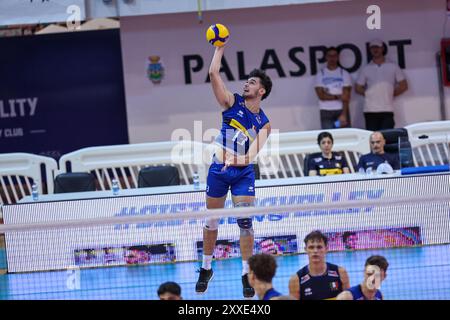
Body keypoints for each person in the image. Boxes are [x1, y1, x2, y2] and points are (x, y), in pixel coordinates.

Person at [195, 43, 273, 298]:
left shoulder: (264, 123)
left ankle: (245, 273)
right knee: (212, 220)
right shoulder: (231, 102)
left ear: (261, 91)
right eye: (246, 82)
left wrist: (235, 160)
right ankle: (206, 268)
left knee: (245, 221)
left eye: (251, 82)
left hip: (242, 173)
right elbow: (213, 75)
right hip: (218, 170)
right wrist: (219, 48)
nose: (246, 85)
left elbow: (251, 156)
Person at [355, 39, 408, 131]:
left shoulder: (393, 66)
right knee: (373, 138)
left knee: (387, 138)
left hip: (387, 109)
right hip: (370, 110)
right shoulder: (366, 68)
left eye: (377, 47)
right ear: (370, 50)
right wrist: (370, 94)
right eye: (373, 48)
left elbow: (403, 85)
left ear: (382, 48)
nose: (375, 50)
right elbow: (358, 87)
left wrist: (390, 94)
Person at [289, 230, 350, 300]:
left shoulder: (341, 273)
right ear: (306, 250)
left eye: (319, 247)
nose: (315, 251)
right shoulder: (296, 280)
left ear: (326, 249)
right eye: (311, 247)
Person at [315, 47, 352, 129]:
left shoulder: (344, 73)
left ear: (338, 57)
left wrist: (344, 114)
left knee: (343, 137)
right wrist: (338, 96)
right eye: (330, 56)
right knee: (328, 137)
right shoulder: (320, 74)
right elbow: (321, 96)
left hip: (341, 111)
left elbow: (346, 97)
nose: (332, 58)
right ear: (326, 57)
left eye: (334, 56)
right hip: (326, 111)